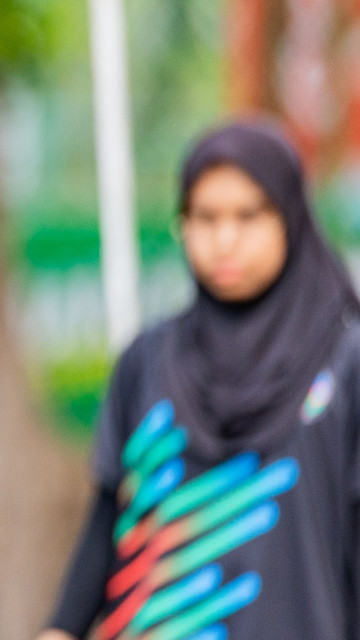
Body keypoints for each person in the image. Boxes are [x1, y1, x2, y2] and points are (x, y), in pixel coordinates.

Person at [38, 119, 360, 640]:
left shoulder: (345, 362)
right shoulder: (147, 360)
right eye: (204, 218)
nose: (224, 240)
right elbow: (106, 522)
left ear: (292, 219)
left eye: (248, 216)